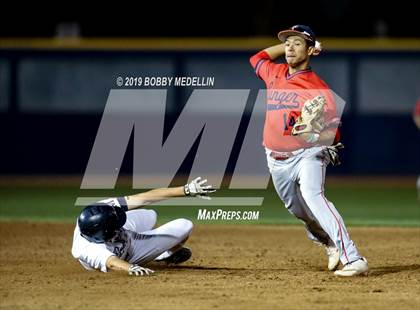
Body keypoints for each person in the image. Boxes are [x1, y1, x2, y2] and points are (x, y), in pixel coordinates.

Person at [250, 25, 368, 276]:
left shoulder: (319, 88)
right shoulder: (274, 72)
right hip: (275, 158)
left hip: (307, 154)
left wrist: (314, 135)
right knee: (299, 211)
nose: (290, 48)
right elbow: (256, 58)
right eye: (286, 43)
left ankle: (353, 258)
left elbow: (333, 134)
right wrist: (291, 46)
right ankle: (327, 242)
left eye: (297, 43)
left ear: (311, 51)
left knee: (314, 196)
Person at [71, 177, 215, 276]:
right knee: (184, 225)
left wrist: (186, 190)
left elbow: (146, 197)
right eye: (116, 225)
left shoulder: (103, 209)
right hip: (131, 253)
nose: (119, 224)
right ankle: (164, 255)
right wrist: (130, 267)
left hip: (125, 235)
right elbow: (112, 263)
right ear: (105, 234)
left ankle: (161, 251)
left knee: (150, 214)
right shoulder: (86, 249)